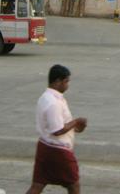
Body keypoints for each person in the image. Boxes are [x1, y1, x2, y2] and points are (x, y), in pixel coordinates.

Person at [26, 65, 87, 194]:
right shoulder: (53, 103)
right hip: (58, 150)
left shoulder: (46, 97)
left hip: (44, 146)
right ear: (58, 81)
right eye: (66, 81)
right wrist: (76, 121)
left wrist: (75, 127)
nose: (68, 85)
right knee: (73, 185)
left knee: (38, 184)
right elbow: (57, 130)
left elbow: (57, 125)